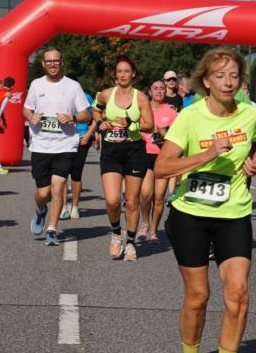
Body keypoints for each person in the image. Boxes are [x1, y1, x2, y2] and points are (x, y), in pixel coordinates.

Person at [154, 48, 256, 353]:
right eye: (220, 76)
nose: (228, 81)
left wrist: (253, 162)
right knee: (198, 297)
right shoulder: (190, 117)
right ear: (205, 81)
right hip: (191, 214)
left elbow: (254, 150)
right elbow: (163, 168)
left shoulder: (251, 113)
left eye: (233, 75)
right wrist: (206, 155)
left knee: (238, 294)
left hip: (233, 213)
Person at [23, 47, 92, 246]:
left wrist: (71, 117)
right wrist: (31, 116)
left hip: (65, 144)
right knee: (43, 193)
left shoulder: (73, 86)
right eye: (49, 61)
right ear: (44, 64)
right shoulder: (36, 85)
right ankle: (40, 210)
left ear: (62, 63)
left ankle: (52, 229)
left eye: (56, 61)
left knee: (58, 186)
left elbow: (86, 115)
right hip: (41, 145)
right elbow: (25, 109)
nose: (53, 64)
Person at [93, 56, 154, 260]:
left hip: (134, 151)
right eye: (119, 71)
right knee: (112, 201)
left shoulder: (141, 98)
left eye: (126, 71)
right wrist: (100, 122)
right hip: (111, 151)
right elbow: (96, 110)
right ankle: (116, 232)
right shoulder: (106, 94)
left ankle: (130, 243)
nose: (122, 75)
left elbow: (150, 125)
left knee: (131, 201)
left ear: (133, 74)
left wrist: (131, 125)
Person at [140, 79, 177, 243]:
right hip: (145, 154)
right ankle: (145, 223)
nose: (159, 91)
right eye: (155, 89)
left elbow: (177, 137)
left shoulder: (171, 112)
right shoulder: (142, 109)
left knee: (160, 196)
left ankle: (154, 230)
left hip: (163, 157)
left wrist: (164, 133)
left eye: (162, 89)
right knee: (146, 194)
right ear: (150, 91)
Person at [60, 88, 96, 220]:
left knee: (76, 174)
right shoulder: (58, 94)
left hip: (81, 138)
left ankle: (75, 207)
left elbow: (94, 119)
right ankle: (63, 207)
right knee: (62, 174)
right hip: (63, 139)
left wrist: (88, 134)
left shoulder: (86, 97)